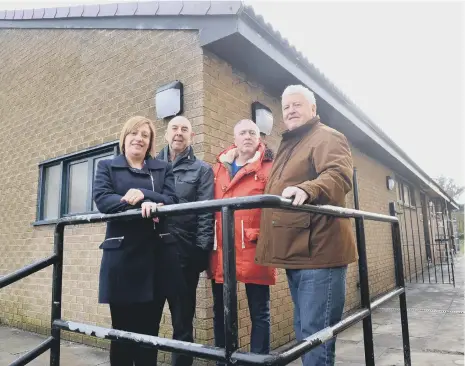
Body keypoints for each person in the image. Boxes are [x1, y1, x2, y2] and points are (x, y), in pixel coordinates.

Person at [255, 85, 358, 366]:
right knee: (305, 332)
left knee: (315, 336)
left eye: (297, 105)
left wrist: (309, 188)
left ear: (313, 109)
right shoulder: (290, 144)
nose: (290, 110)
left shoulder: (327, 136)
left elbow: (339, 175)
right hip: (299, 251)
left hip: (320, 253)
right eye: (286, 107)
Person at [93, 116, 178, 366]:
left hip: (156, 258)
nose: (139, 138)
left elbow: (172, 200)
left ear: (150, 141)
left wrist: (145, 195)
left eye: (145, 135)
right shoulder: (107, 166)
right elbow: (103, 200)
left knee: (149, 332)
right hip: (122, 259)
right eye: (134, 133)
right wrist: (141, 203)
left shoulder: (163, 168)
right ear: (124, 137)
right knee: (122, 331)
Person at [209, 119, 276, 361]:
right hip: (222, 248)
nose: (247, 136)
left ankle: (258, 360)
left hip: (254, 247)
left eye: (252, 132)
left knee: (260, 311)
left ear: (259, 138)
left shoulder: (269, 167)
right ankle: (225, 358)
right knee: (222, 311)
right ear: (234, 138)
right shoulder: (218, 168)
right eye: (242, 133)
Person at [156, 116, 214, 366]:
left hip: (183, 257)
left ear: (192, 136)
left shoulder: (202, 170)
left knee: (182, 324)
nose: (179, 133)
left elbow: (205, 214)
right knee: (146, 322)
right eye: (174, 128)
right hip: (150, 255)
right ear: (166, 134)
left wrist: (200, 252)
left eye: (184, 129)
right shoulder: (150, 165)